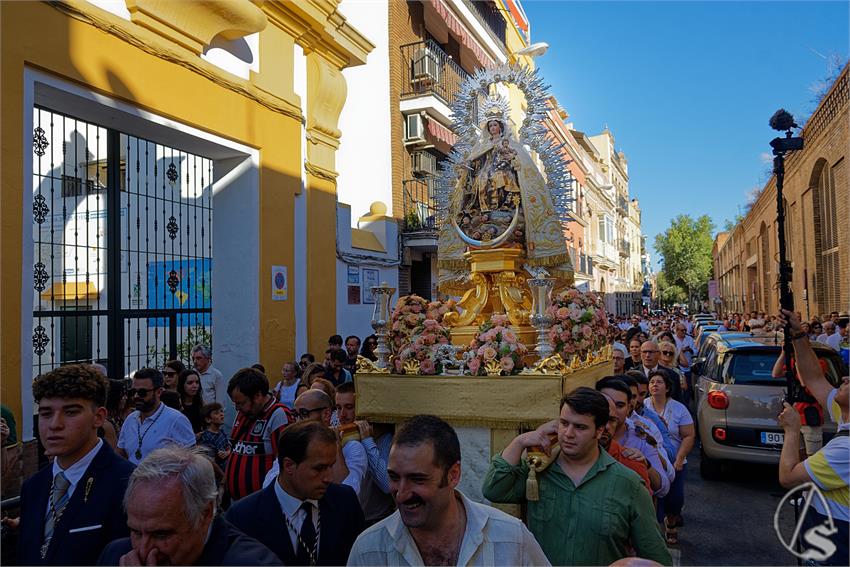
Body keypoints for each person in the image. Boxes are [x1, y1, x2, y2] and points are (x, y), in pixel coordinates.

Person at [482, 388, 671, 566]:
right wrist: (520, 442)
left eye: (580, 427)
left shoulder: (628, 484)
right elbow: (494, 489)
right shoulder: (538, 470)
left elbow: (655, 556)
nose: (568, 434)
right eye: (564, 423)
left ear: (599, 430)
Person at [348, 415, 549, 566]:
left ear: (453, 475)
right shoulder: (368, 550)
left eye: (417, 479)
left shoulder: (511, 537)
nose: (401, 493)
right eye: (394, 477)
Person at [17, 364, 135, 565]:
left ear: (98, 417)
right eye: (46, 413)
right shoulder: (33, 487)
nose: (54, 424)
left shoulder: (129, 484)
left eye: (70, 412)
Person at [98, 446, 281, 566]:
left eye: (161, 534)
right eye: (136, 532)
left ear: (205, 513)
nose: (144, 551)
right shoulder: (116, 555)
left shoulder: (254, 563)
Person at [226, 421, 365, 566]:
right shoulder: (242, 517)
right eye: (319, 468)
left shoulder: (345, 502)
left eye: (331, 466)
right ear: (289, 465)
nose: (329, 478)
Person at [776, 308, 848, 566]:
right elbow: (813, 378)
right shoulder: (844, 416)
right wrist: (797, 333)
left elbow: (787, 476)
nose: (845, 378)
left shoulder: (846, 450)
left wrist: (792, 430)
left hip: (837, 540)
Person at [225, 367, 294, 501]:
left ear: (257, 395)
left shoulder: (278, 414)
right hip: (239, 504)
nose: (237, 408)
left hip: (262, 505)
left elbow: (285, 462)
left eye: (241, 403)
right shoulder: (244, 413)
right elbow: (234, 450)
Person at [596, 377, 670, 499]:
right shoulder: (583, 434)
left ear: (629, 408)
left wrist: (645, 465)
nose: (611, 410)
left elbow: (663, 487)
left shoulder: (641, 438)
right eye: (605, 403)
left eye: (619, 405)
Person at [645, 370, 695, 544]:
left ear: (667, 388)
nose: (655, 385)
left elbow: (688, 435)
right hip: (651, 461)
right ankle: (654, 530)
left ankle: (672, 521)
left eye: (659, 382)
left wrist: (680, 458)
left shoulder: (679, 408)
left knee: (675, 498)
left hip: (675, 462)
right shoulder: (644, 406)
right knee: (653, 498)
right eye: (652, 382)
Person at [335, 382, 395, 524]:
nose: (342, 415)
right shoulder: (339, 434)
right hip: (347, 519)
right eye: (338, 408)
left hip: (374, 520)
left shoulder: (386, 439)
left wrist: (367, 441)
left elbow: (388, 485)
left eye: (349, 407)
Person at [116, 368, 196, 465]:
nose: (136, 396)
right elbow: (121, 454)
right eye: (133, 391)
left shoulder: (176, 420)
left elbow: (191, 460)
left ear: (159, 392)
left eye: (142, 392)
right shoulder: (130, 419)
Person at [598, 395, 652, 495]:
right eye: (600, 419)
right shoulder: (562, 456)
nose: (606, 427)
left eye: (612, 420)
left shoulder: (631, 462)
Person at [191, 344, 228, 410]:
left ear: (208, 358)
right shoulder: (192, 374)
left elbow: (220, 403)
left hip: (210, 416)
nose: (195, 361)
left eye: (198, 358)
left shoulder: (216, 375)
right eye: (193, 358)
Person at [198, 403, 232, 471]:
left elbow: (229, 445)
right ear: (208, 420)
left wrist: (227, 452)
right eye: (216, 413)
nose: (221, 414)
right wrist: (223, 476)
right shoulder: (206, 437)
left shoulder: (221, 430)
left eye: (221, 411)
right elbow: (210, 462)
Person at [178, 368, 204, 433]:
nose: (194, 386)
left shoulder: (202, 405)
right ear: (182, 384)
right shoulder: (177, 404)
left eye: (197, 382)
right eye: (190, 383)